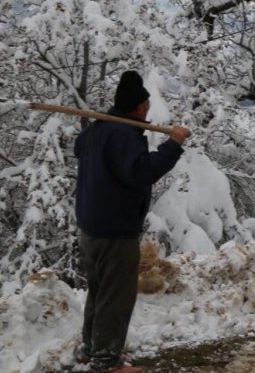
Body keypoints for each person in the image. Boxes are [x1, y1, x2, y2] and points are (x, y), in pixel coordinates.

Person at [73, 71, 190, 373]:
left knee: (100, 292)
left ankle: (91, 350)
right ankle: (107, 362)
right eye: (147, 104)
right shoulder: (123, 134)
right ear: (139, 108)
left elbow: (79, 148)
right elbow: (139, 173)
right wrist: (173, 146)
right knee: (116, 296)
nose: (149, 108)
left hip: (90, 227)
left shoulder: (96, 131)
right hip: (115, 229)